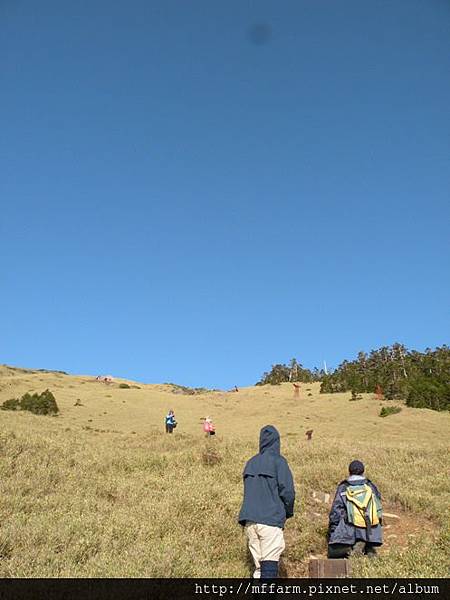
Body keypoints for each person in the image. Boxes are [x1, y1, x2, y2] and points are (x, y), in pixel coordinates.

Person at [238, 425, 295, 579]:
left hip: (250, 521)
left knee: (258, 570)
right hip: (270, 519)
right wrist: (287, 512)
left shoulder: (250, 463)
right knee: (269, 568)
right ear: (277, 442)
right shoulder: (279, 462)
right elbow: (288, 492)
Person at [328, 460, 383, 558]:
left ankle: (355, 548)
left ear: (349, 471)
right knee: (369, 552)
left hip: (351, 529)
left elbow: (336, 512)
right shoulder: (370, 486)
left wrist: (333, 530)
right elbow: (378, 508)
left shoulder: (344, 487)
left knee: (334, 552)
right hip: (372, 528)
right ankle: (368, 547)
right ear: (363, 471)